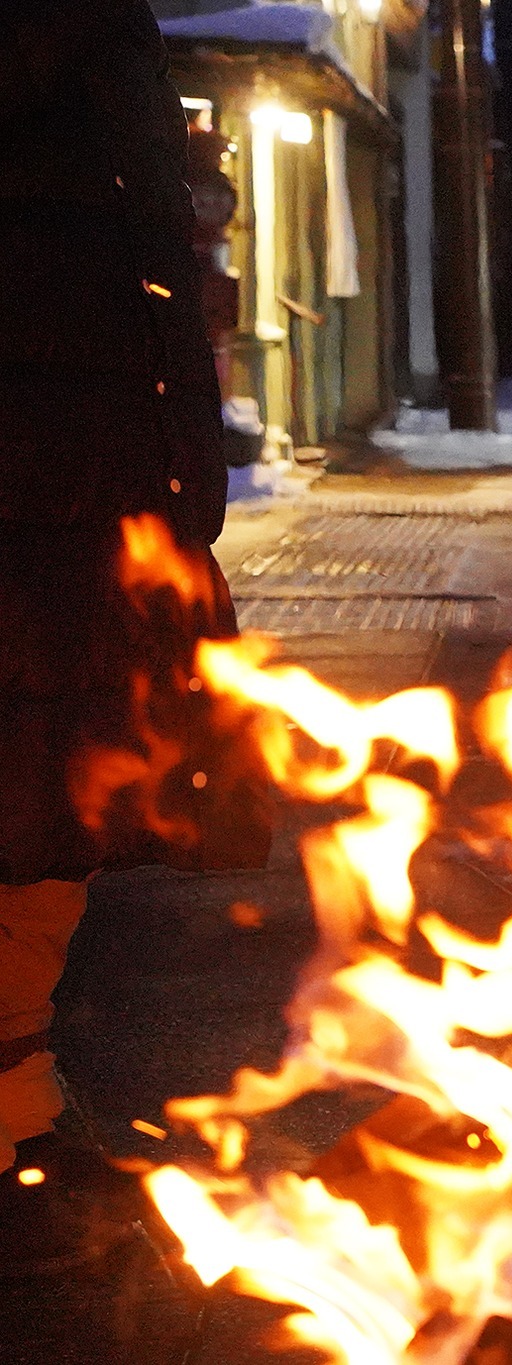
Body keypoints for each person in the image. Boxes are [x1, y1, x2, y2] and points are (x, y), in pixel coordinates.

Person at [0, 0, 270, 1274]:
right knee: (35, 786)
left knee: (56, 800)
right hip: (49, 461)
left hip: (100, 458)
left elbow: (137, 240)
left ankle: (22, 1107)